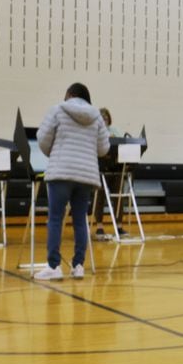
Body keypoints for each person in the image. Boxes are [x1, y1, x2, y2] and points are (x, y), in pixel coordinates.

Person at [34, 83, 110, 280]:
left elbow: (42, 138)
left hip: (61, 172)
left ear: (69, 94)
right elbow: (104, 149)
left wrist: (55, 152)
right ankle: (78, 266)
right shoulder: (97, 118)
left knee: (56, 219)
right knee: (80, 221)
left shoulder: (58, 109)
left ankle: (53, 266)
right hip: (86, 176)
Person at [92, 107, 127, 239]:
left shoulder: (115, 130)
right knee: (99, 196)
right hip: (100, 169)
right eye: (101, 117)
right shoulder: (94, 132)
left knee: (118, 196)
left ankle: (119, 226)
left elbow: (122, 143)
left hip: (116, 168)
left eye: (106, 117)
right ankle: (99, 226)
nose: (104, 119)